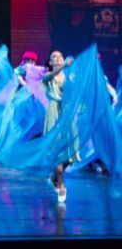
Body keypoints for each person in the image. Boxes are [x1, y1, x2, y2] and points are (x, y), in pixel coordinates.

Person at [43, 49, 76, 203]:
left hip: (67, 113)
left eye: (60, 56)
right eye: (54, 57)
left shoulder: (70, 77)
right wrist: (64, 66)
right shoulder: (48, 77)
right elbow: (50, 76)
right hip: (53, 112)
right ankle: (61, 185)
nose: (58, 58)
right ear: (50, 62)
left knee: (72, 152)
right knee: (57, 151)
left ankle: (53, 178)